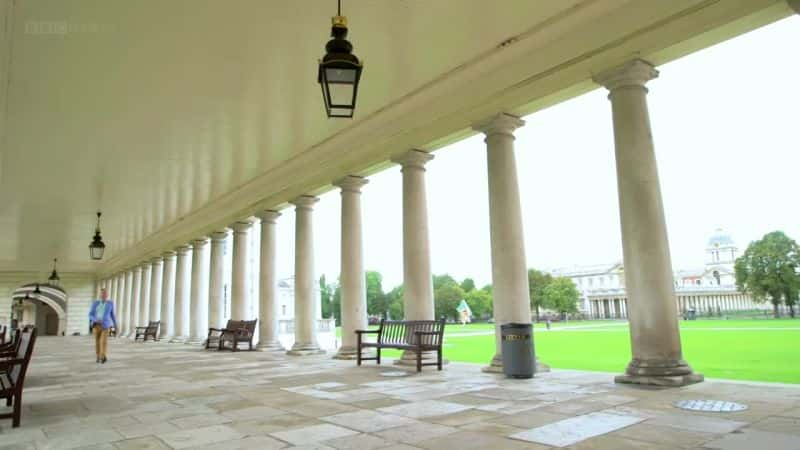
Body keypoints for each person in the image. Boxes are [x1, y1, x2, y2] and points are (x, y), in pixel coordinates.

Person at [88, 288, 117, 364]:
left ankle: (103, 356)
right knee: (97, 341)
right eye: (102, 293)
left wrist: (115, 325)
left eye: (105, 293)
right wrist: (95, 319)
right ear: (100, 295)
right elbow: (90, 315)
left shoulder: (110, 303)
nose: (104, 295)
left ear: (107, 295)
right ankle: (98, 356)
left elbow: (112, 315)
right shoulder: (95, 303)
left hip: (106, 325)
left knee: (104, 341)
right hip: (96, 325)